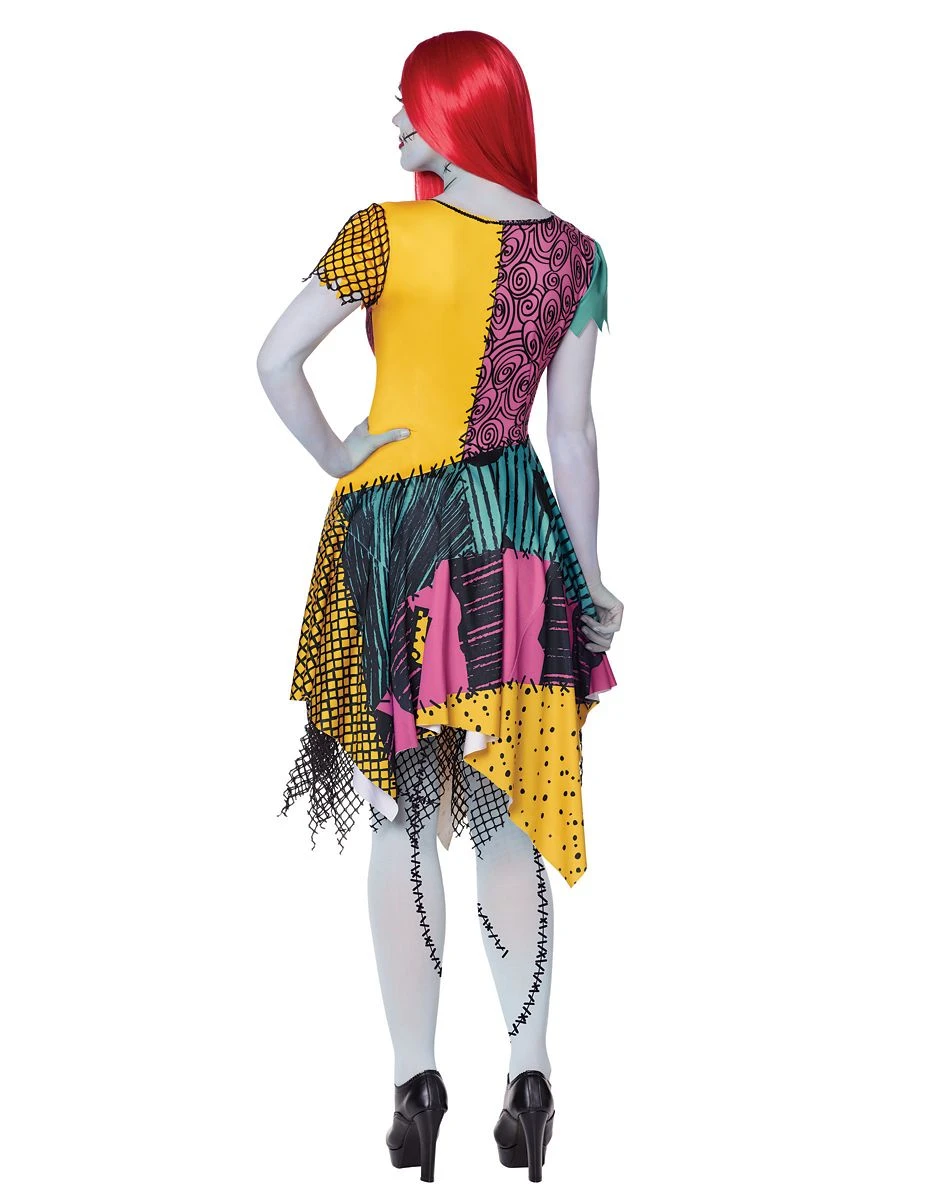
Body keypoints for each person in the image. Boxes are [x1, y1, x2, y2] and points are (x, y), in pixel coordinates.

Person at [256, 29, 623, 1184]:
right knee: (507, 813)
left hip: (397, 538)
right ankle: (530, 1073)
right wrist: (592, 576)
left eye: (409, 104)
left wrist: (337, 452)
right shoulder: (575, 256)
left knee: (402, 816)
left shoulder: (382, 232)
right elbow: (571, 434)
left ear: (455, 115)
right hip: (513, 541)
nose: (396, 124)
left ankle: (415, 1083)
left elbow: (273, 361)